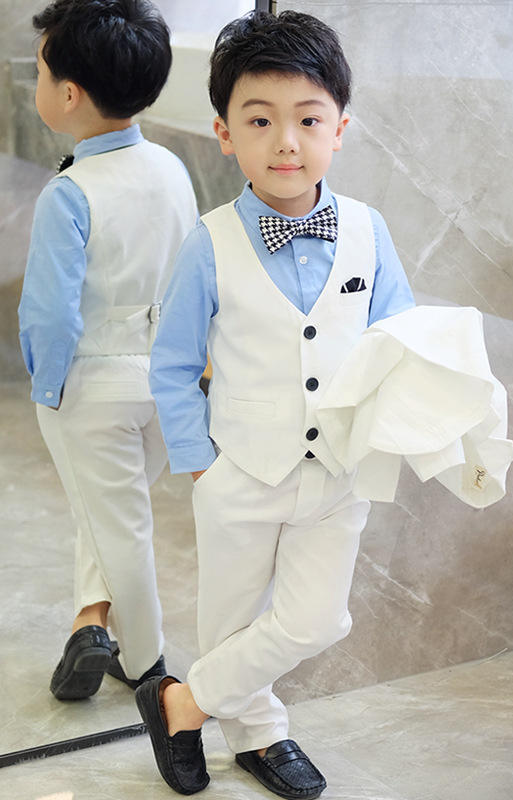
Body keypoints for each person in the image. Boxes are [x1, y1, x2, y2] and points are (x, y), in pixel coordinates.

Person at [139, 10, 415, 797]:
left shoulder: (368, 232)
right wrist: (201, 465)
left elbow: (400, 342)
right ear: (225, 133)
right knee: (229, 620)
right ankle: (260, 734)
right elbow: (172, 365)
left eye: (308, 120)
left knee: (318, 618)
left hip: (337, 474)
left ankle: (182, 702)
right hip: (239, 470)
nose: (286, 142)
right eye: (260, 121)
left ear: (340, 129)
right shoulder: (209, 242)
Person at [18, 0, 198, 701]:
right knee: (112, 511)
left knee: (119, 528)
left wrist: (49, 390)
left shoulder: (69, 192)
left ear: (69, 95)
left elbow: (50, 314)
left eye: (40, 74)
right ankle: (90, 623)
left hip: (92, 385)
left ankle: (149, 667)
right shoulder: (172, 169)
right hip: (164, 381)